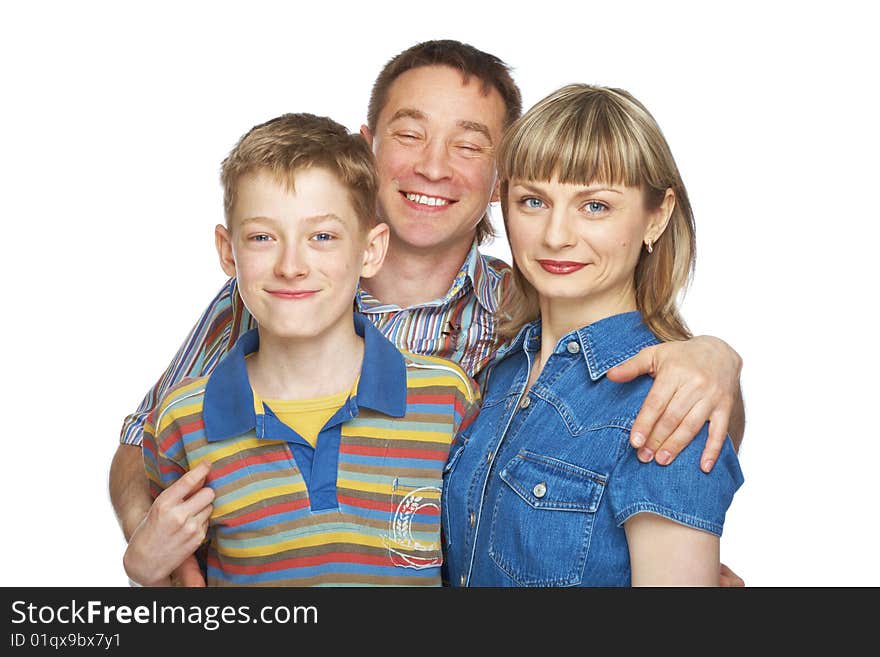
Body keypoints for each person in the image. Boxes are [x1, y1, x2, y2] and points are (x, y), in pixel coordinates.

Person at [110, 40, 746, 586]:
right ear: (368, 150)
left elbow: (658, 414)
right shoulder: (273, 293)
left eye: (469, 146)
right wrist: (155, 553)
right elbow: (145, 443)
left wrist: (714, 361)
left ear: (497, 177)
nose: (434, 166)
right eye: (410, 135)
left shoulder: (520, 309)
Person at [123, 113, 480, 586]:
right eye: (263, 238)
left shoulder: (445, 400)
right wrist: (143, 574)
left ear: (371, 250)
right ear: (228, 251)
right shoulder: (184, 421)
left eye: (323, 237)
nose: (291, 265)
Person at [443, 84, 744, 587]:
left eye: (596, 206)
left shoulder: (670, 402)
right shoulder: (500, 370)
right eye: (533, 200)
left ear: (658, 215)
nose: (556, 234)